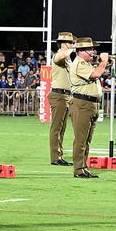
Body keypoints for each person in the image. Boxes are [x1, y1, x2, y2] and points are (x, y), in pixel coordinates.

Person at [66, 37, 106, 179]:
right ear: (80, 51)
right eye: (90, 49)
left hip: (90, 104)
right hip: (82, 103)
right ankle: (78, 169)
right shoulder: (79, 63)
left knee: (86, 140)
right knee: (81, 139)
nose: (93, 51)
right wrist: (104, 62)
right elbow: (96, 74)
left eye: (93, 49)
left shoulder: (86, 63)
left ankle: (83, 167)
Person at [48, 31, 75, 167]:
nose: (72, 45)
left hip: (65, 95)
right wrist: (74, 49)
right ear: (63, 44)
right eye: (70, 42)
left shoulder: (68, 58)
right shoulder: (59, 55)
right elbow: (60, 56)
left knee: (61, 128)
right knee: (57, 128)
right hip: (59, 95)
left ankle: (59, 155)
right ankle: (55, 157)